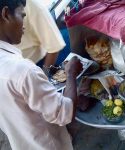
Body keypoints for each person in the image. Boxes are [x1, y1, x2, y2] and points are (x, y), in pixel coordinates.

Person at [0, 0, 83, 150]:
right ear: (6, 14)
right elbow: (65, 113)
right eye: (21, 16)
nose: (24, 26)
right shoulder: (23, 71)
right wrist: (71, 73)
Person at [16, 0, 66, 67]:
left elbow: (54, 46)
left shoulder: (30, 5)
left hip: (39, 64)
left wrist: (44, 74)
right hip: (12, 71)